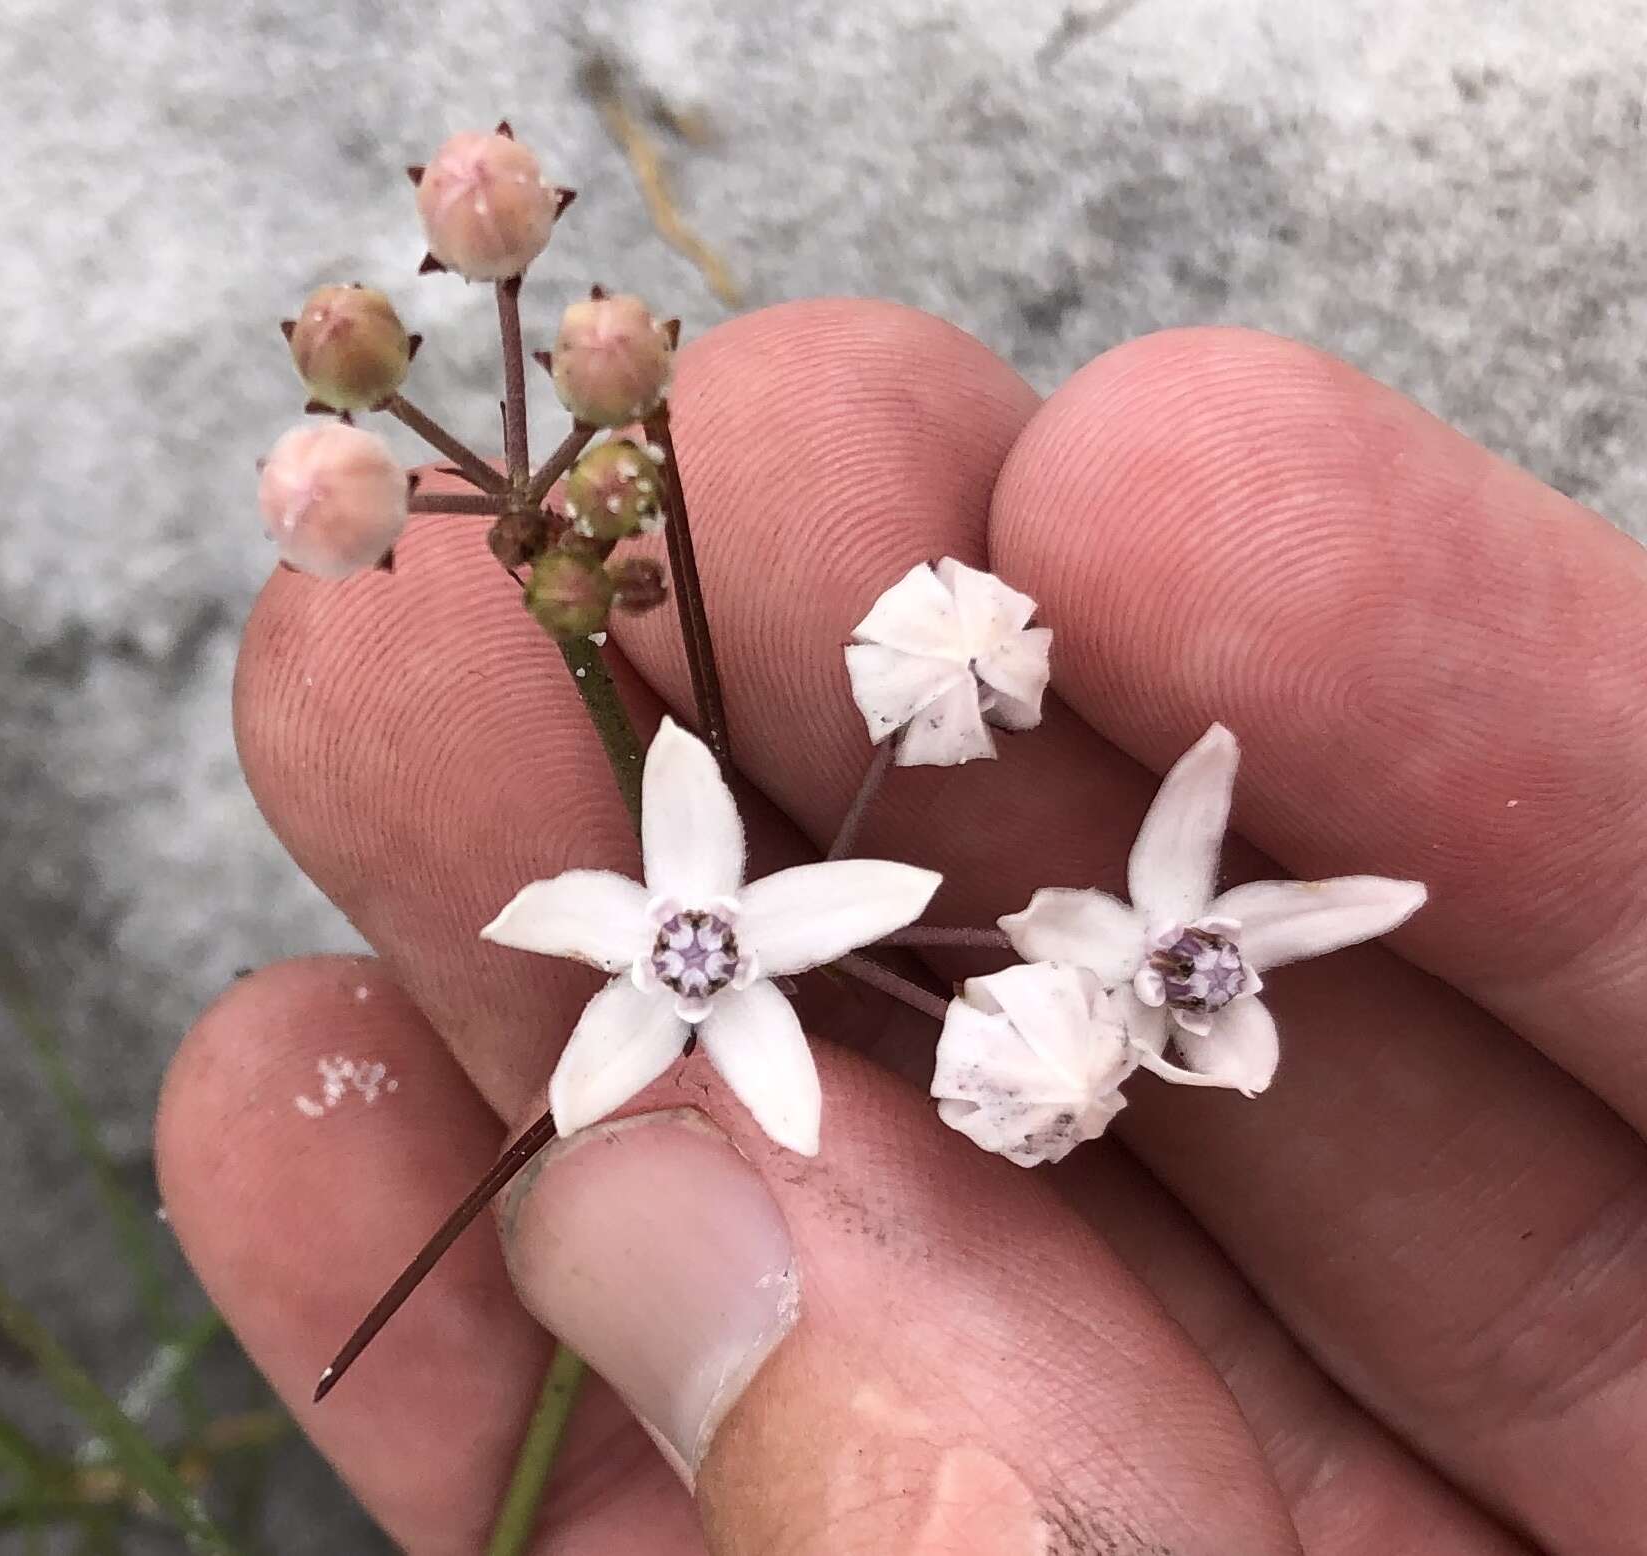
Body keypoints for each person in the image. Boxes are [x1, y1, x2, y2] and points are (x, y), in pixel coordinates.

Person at [155, 300, 1644, 1555]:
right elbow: (640, 908)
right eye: (684, 946)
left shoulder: (878, 921)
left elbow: (831, 951)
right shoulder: (657, 914)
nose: (696, 952)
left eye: (697, 943)